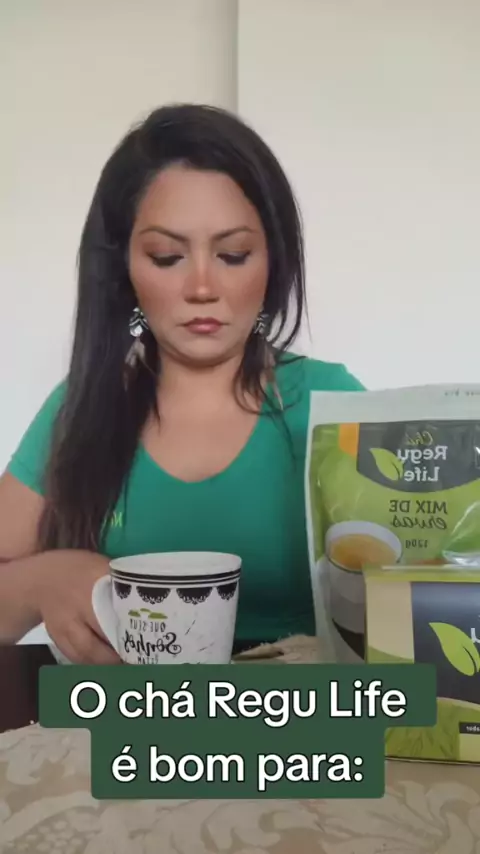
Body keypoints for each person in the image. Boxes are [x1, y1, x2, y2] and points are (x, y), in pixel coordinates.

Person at [0, 103, 363, 664]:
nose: (201, 287)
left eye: (233, 254)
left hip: (299, 713)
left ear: (273, 260)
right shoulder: (83, 407)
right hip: (129, 713)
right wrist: (41, 580)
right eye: (167, 256)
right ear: (123, 265)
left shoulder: (329, 405)